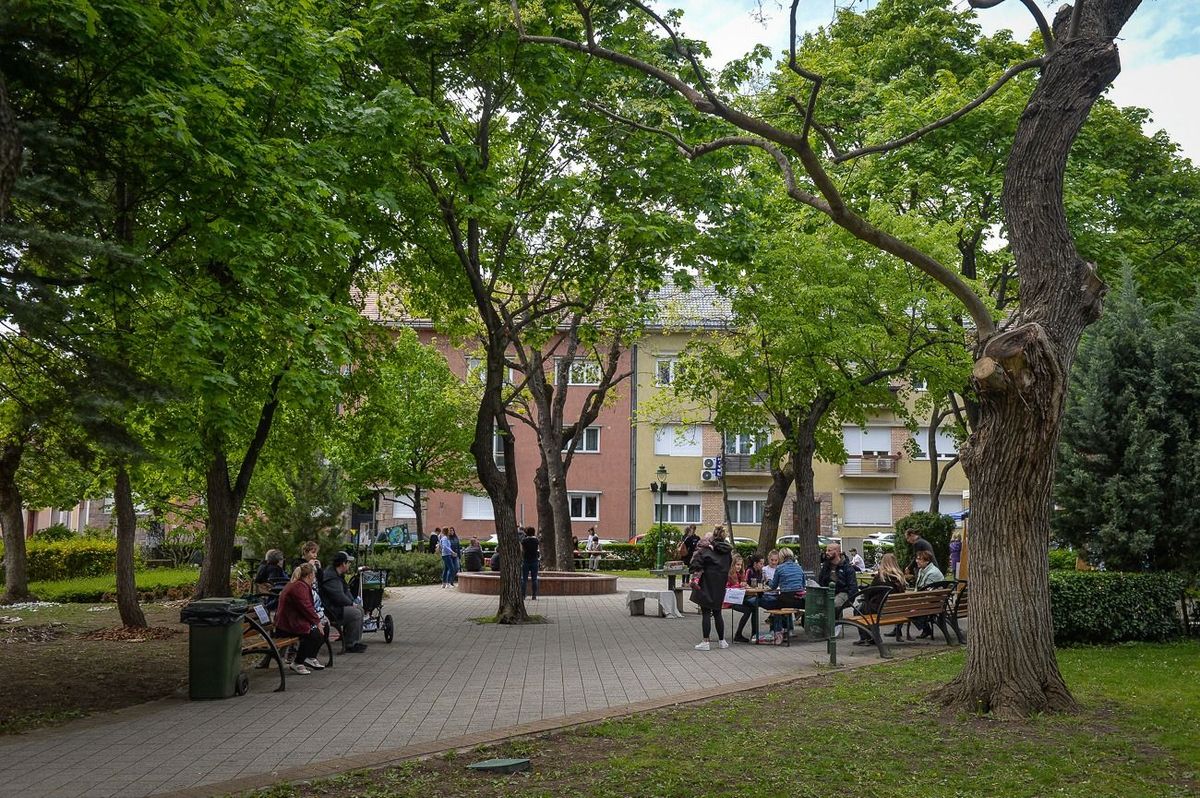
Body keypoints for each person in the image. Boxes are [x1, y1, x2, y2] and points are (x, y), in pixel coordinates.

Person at [274, 564, 327, 674]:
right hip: (288, 625)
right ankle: (298, 662)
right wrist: (317, 621)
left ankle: (310, 657)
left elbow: (307, 607)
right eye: (314, 575)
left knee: (324, 628)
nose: (314, 577)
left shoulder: (301, 585)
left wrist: (318, 621)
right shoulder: (299, 587)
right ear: (309, 575)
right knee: (315, 633)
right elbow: (306, 607)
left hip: (294, 622)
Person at [689, 527, 734, 650]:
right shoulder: (727, 552)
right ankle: (722, 641)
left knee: (706, 613)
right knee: (718, 612)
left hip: (707, 585)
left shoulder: (706, 551)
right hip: (720, 585)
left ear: (713, 537)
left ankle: (705, 641)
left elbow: (694, 564)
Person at [852, 553, 906, 645]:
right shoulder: (900, 578)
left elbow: (870, 592)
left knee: (859, 609)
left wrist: (864, 592)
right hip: (894, 610)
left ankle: (867, 638)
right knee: (865, 608)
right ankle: (872, 637)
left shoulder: (881, 577)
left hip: (880, 609)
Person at [319, 551, 367, 653]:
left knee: (359, 609)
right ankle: (351, 644)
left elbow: (345, 591)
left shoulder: (337, 574)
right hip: (331, 610)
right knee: (356, 613)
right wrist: (351, 604)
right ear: (343, 564)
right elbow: (338, 596)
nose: (349, 565)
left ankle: (354, 640)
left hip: (336, 607)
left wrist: (353, 602)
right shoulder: (331, 577)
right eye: (348, 563)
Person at [759, 548, 806, 645]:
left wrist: (768, 581)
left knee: (776, 606)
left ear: (781, 557)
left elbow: (773, 586)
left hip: (786, 599)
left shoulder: (780, 568)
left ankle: (778, 632)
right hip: (799, 600)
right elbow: (803, 584)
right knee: (780, 605)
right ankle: (788, 630)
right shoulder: (799, 567)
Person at [817, 542, 859, 617]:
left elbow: (853, 587)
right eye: (826, 550)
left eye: (829, 550)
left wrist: (849, 599)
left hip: (843, 593)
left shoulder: (847, 567)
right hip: (828, 593)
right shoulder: (826, 567)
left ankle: (835, 626)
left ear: (837, 552)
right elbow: (821, 582)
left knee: (833, 605)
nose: (827, 553)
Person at [913, 550, 946, 639]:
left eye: (919, 559)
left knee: (909, 609)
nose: (917, 561)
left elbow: (928, 592)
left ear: (927, 561)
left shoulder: (932, 573)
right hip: (928, 600)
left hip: (934, 603)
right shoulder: (922, 570)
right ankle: (926, 629)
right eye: (917, 558)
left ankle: (926, 629)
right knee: (908, 607)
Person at [731, 553, 762, 643]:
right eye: (737, 565)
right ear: (733, 564)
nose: (739, 567)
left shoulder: (741, 574)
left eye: (740, 565)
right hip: (732, 599)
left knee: (754, 607)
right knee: (748, 610)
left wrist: (745, 585)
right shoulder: (730, 574)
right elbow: (728, 588)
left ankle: (754, 633)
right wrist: (739, 586)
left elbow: (744, 583)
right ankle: (738, 634)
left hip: (740, 598)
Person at [521, 526, 540, 600]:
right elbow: (538, 550)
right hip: (534, 560)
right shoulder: (536, 541)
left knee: (524, 579)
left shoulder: (524, 541)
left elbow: (522, 550)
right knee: (534, 579)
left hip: (526, 560)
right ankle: (534, 595)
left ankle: (523, 595)